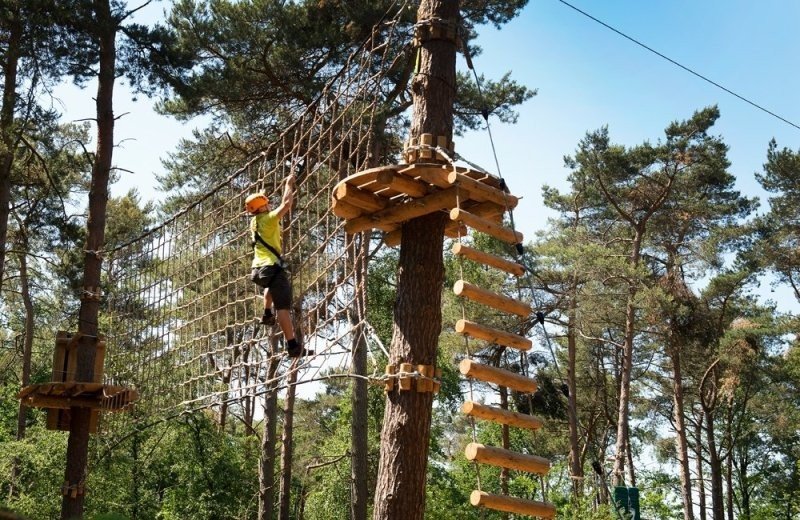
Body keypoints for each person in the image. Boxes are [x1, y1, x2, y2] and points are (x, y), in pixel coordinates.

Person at [245, 174, 306, 357]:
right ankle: (293, 345)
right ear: (262, 207)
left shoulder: (254, 222)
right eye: (266, 202)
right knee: (283, 307)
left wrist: (261, 194)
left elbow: (258, 207)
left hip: (258, 270)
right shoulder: (270, 219)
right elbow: (286, 204)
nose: (269, 204)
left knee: (271, 285)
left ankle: (266, 313)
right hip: (271, 267)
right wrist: (288, 185)